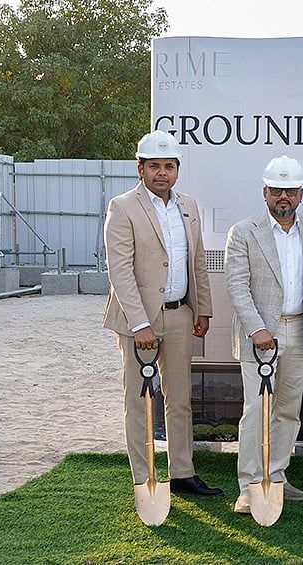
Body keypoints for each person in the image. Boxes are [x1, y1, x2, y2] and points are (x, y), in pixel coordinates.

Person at [103, 130, 221, 496]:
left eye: (169, 166)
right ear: (140, 168)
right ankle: (144, 476)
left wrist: (203, 309)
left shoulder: (188, 206)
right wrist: (140, 323)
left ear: (177, 170)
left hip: (180, 315)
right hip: (139, 321)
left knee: (180, 399)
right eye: (154, 165)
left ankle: (182, 473)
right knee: (139, 401)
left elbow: (197, 261)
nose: (162, 173)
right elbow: (120, 270)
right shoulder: (123, 207)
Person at [224, 155, 303, 514]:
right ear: (265, 192)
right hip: (260, 335)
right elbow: (237, 286)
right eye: (277, 190)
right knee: (256, 410)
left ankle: (277, 477)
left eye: (291, 190)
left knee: (288, 410)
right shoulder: (243, 231)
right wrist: (257, 329)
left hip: (300, 329)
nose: (284, 196)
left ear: (301, 194)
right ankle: (249, 485)